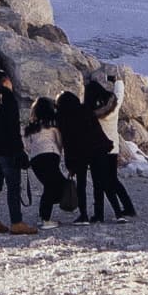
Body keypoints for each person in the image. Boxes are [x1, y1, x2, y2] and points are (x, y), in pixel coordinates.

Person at [83, 67, 136, 220]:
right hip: (112, 148)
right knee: (113, 180)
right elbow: (119, 93)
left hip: (96, 150)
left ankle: (98, 213)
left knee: (97, 182)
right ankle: (128, 207)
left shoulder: (90, 113)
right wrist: (116, 81)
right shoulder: (114, 105)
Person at [0, 66, 29, 234]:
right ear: (6, 81)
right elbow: (12, 128)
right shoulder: (7, 98)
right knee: (13, 187)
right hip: (8, 150)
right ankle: (17, 222)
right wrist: (20, 150)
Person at [25, 93, 76, 224]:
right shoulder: (53, 126)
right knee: (55, 186)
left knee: (50, 186)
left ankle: (44, 216)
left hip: (35, 160)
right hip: (50, 156)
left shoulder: (31, 128)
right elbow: (60, 143)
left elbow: (28, 146)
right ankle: (46, 219)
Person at [55, 78, 94, 217]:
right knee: (96, 184)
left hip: (76, 155)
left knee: (81, 185)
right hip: (91, 151)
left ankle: (83, 214)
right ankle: (98, 213)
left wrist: (70, 165)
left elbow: (68, 144)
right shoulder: (84, 113)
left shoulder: (63, 120)